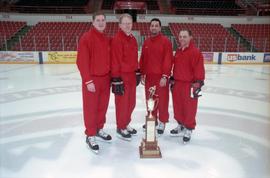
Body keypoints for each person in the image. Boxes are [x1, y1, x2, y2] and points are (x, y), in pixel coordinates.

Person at [76, 11, 112, 154]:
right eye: (98, 20)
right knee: (91, 108)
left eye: (103, 20)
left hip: (105, 79)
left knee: (102, 107)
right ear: (93, 22)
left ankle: (99, 129)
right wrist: (88, 80)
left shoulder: (106, 39)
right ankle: (90, 134)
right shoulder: (87, 38)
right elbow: (81, 61)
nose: (101, 22)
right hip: (92, 80)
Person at [170, 29, 205, 144]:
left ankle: (189, 128)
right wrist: (173, 78)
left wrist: (198, 83)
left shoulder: (195, 52)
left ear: (191, 37)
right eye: (180, 36)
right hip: (178, 84)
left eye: (185, 36)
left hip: (190, 85)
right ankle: (181, 124)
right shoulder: (179, 51)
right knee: (178, 106)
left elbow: (199, 69)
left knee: (190, 108)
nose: (182, 39)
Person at [139, 18, 173, 135]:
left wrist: (165, 76)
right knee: (150, 100)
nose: (154, 27)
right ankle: (152, 119)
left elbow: (168, 60)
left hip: (161, 78)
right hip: (149, 78)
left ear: (160, 27)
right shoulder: (146, 42)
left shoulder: (166, 42)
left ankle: (163, 121)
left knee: (162, 101)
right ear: (150, 27)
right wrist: (143, 73)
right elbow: (143, 59)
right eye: (152, 25)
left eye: (156, 25)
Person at [111, 13, 140, 141]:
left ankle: (126, 123)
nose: (128, 25)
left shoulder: (133, 38)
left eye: (129, 23)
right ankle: (120, 127)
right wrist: (116, 79)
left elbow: (134, 57)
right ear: (120, 25)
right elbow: (115, 60)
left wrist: (137, 71)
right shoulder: (117, 39)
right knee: (122, 103)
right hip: (122, 76)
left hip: (132, 75)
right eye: (125, 23)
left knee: (131, 102)